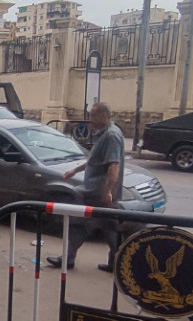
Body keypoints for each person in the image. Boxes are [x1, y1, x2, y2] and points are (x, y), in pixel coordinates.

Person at [46, 102, 124, 272]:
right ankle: (117, 262)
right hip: (97, 190)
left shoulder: (111, 135)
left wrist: (108, 191)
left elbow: (113, 165)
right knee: (109, 227)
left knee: (78, 222)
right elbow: (94, 161)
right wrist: (75, 170)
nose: (90, 119)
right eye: (90, 115)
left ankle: (69, 259)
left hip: (97, 192)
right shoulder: (104, 134)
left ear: (105, 116)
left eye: (94, 116)